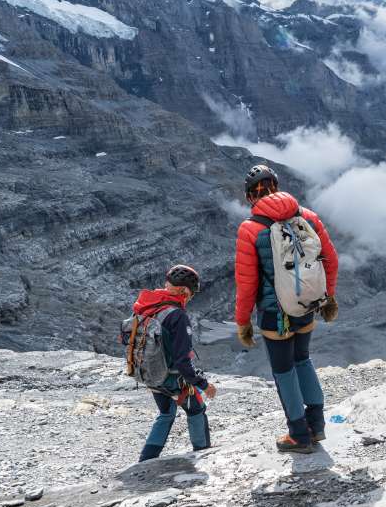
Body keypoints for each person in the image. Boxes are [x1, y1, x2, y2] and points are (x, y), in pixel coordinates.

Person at [234, 165, 340, 454]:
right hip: (306, 306)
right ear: (276, 186)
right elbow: (330, 260)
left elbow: (246, 283)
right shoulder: (308, 217)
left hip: (274, 314)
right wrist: (328, 297)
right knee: (303, 360)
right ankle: (317, 426)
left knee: (283, 371)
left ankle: (298, 435)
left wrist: (243, 321)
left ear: (250, 197)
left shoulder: (250, 229)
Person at [134, 265, 217, 461]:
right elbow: (182, 362)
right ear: (184, 291)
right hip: (171, 379)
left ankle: (146, 460)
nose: (189, 299)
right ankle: (203, 453)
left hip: (149, 374)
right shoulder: (177, 316)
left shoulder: (147, 307)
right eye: (190, 295)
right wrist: (203, 384)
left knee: (166, 413)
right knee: (196, 409)